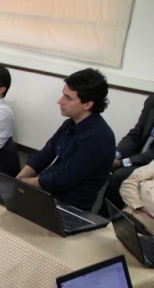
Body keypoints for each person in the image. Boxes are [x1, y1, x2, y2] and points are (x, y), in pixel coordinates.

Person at [17, 69, 115, 212]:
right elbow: (44, 155)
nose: (60, 101)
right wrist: (17, 181)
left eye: (68, 98)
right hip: (48, 193)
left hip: (67, 207)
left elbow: (62, 180)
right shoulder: (71, 123)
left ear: (87, 104)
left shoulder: (99, 138)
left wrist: (20, 184)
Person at [100, 95, 154, 216]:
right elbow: (135, 135)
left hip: (151, 165)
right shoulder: (152, 101)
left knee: (121, 174)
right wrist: (115, 155)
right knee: (100, 158)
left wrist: (122, 162)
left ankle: (105, 217)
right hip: (139, 156)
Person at [120, 160, 154, 233]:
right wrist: (140, 206)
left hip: (150, 232)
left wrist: (143, 185)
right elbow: (129, 183)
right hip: (132, 213)